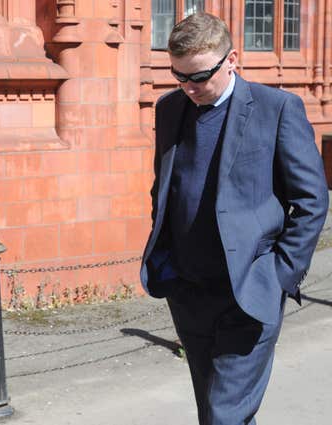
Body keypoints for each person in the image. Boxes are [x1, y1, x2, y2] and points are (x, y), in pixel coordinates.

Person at [140, 13, 329, 425]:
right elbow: (165, 187)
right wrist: (167, 261)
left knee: (225, 415)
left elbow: (312, 200)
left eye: (201, 76)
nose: (190, 87)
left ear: (232, 59)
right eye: (180, 77)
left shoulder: (277, 108)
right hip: (187, 291)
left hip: (249, 290)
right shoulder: (170, 108)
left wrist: (279, 273)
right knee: (216, 411)